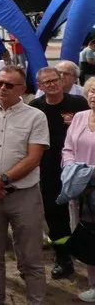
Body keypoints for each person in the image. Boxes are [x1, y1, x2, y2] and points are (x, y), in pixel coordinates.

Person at [0, 64, 49, 305]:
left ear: (22, 89)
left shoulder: (36, 116)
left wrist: (1, 180)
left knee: (30, 258)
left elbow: (34, 158)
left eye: (8, 85)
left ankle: (36, 301)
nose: (2, 88)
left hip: (23, 195)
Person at [29, 65, 88, 278]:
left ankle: (86, 254)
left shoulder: (78, 104)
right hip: (49, 172)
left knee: (85, 215)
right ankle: (63, 258)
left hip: (78, 169)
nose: (53, 84)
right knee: (55, 218)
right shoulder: (35, 107)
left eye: (56, 79)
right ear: (40, 86)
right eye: (48, 82)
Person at [61, 79, 95, 302]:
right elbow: (68, 148)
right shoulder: (80, 117)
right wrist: (72, 168)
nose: (94, 95)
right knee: (89, 235)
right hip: (80, 189)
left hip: (90, 182)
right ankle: (94, 284)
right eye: (92, 91)